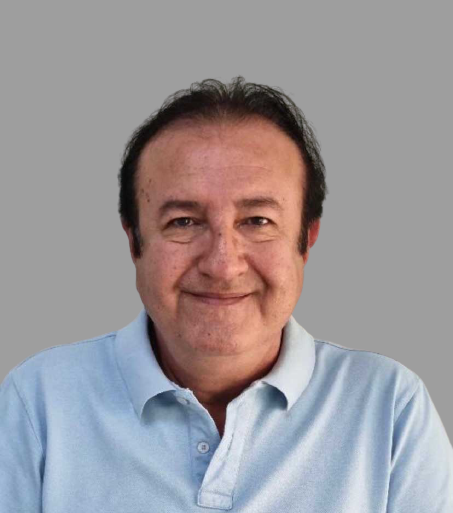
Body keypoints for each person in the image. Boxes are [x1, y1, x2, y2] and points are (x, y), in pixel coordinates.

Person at [1, 77, 452, 512]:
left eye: (257, 221)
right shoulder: (39, 402)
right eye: (183, 222)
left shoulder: (389, 407)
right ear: (134, 240)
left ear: (307, 239)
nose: (222, 264)